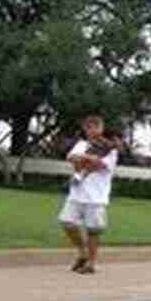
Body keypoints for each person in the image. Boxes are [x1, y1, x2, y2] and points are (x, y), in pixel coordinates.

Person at [60, 115, 119, 275]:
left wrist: (86, 160)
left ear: (101, 128)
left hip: (96, 196)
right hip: (77, 194)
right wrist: (88, 157)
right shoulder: (81, 144)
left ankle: (91, 263)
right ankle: (82, 252)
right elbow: (72, 158)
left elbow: (101, 165)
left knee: (93, 230)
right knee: (67, 223)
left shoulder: (110, 148)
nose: (92, 130)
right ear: (85, 130)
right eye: (89, 127)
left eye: (96, 127)